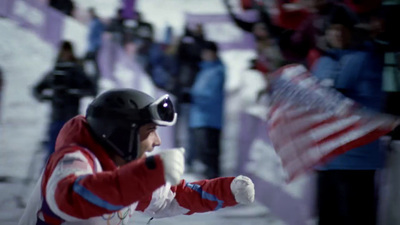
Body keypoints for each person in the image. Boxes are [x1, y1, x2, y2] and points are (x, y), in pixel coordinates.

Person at [18, 88, 255, 224]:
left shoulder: (125, 169)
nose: (157, 142)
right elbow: (71, 198)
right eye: (150, 131)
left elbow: (171, 198)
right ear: (123, 134)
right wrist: (150, 173)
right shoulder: (75, 160)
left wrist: (228, 190)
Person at [311, 6, 385, 225]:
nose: (337, 34)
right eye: (333, 29)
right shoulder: (322, 63)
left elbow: (371, 103)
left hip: (357, 159)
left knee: (357, 218)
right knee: (327, 218)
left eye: (342, 29)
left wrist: (334, 99)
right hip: (326, 159)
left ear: (352, 31)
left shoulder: (367, 59)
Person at [32, 41, 96, 161]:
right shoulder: (56, 72)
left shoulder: (77, 72)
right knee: (53, 151)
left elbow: (92, 89)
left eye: (67, 52)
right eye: (63, 52)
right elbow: (37, 90)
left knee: (70, 152)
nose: (65, 55)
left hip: (71, 119)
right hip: (57, 117)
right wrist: (49, 97)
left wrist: (74, 93)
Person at [188, 41, 225, 179]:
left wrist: (192, 96)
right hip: (199, 118)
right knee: (202, 153)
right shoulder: (204, 69)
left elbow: (210, 95)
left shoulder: (217, 71)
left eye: (207, 52)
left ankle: (215, 184)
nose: (204, 55)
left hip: (210, 119)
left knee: (210, 153)